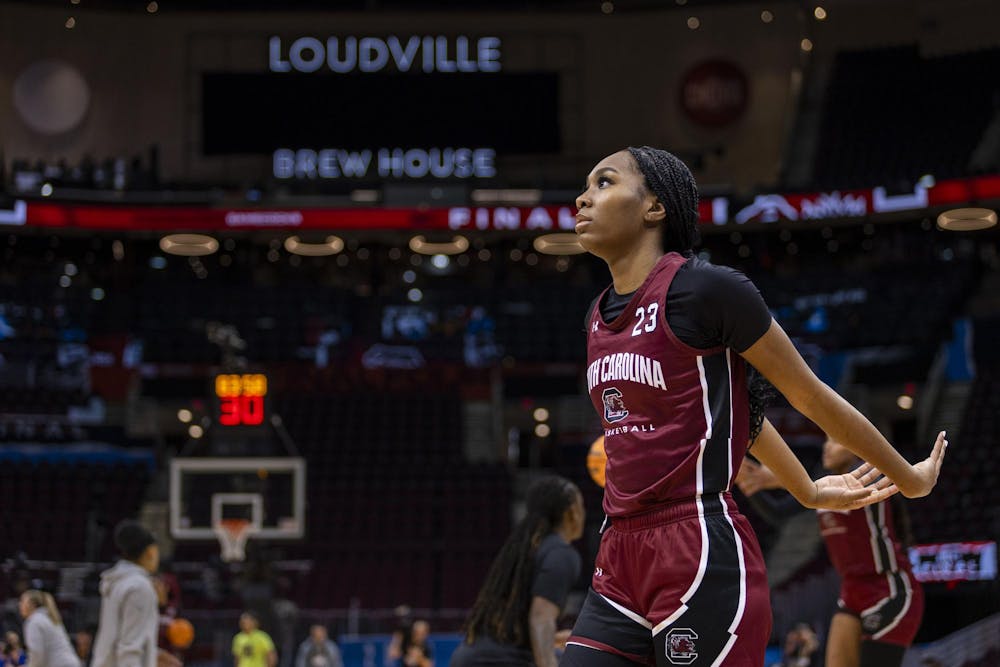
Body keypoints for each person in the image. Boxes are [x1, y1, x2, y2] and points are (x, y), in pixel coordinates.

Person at [560, 146, 947, 666]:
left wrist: (908, 477)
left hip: (697, 547)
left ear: (654, 207)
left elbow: (806, 393)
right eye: (585, 186)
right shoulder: (595, 317)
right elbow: (734, 412)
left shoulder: (706, 289)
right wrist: (807, 491)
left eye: (604, 182)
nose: (583, 198)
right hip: (617, 552)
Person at [737, 437, 925, 667]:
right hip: (851, 589)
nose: (827, 447)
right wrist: (750, 485)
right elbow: (777, 513)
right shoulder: (823, 493)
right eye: (825, 442)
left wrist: (780, 478)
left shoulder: (869, 475)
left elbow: (832, 486)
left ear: (856, 448)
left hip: (888, 588)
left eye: (835, 441)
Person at [450, 476, 585, 667]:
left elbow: (516, 626)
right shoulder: (562, 554)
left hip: (470, 657)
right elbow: (541, 618)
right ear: (572, 512)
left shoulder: (526, 548)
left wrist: (552, 639)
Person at [91, 520, 180, 667]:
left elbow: (120, 637)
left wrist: (153, 653)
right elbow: (130, 648)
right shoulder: (139, 587)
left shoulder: (117, 582)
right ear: (150, 552)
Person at [19, 589, 81, 667]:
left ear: (31, 604)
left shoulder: (34, 621)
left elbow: (37, 653)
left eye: (22, 601)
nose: (20, 604)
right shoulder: (48, 617)